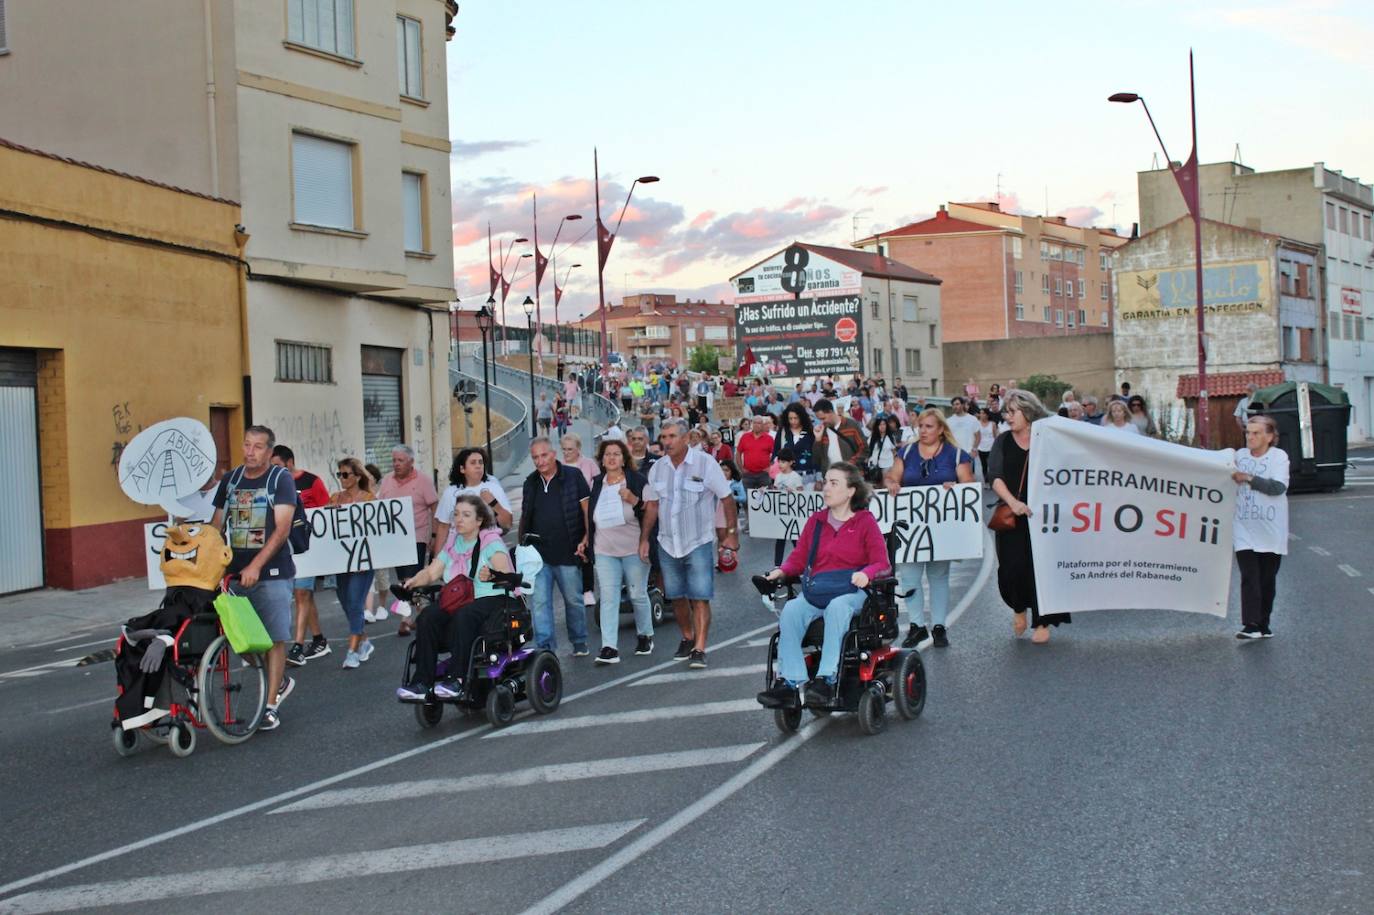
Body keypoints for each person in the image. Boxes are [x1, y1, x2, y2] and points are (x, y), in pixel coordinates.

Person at [756, 463, 889, 708]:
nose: (826, 487)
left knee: (837, 608)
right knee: (791, 611)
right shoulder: (817, 521)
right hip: (818, 589)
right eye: (826, 481)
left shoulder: (864, 522)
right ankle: (789, 683)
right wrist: (782, 571)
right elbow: (800, 557)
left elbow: (882, 562)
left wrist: (866, 573)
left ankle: (827, 678)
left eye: (834, 483)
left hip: (852, 590)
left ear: (850, 491)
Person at [210, 425, 297, 731]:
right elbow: (217, 524)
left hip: (272, 573)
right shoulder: (231, 479)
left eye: (258, 447)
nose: (250, 451)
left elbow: (282, 529)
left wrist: (257, 566)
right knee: (241, 640)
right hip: (235, 572)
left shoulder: (280, 479)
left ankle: (270, 705)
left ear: (270, 452)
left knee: (274, 639)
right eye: (247, 444)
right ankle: (280, 680)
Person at [639, 418, 740, 669]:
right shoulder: (657, 469)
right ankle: (687, 636)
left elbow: (726, 499)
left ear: (685, 438)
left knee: (700, 596)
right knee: (676, 596)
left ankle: (700, 647)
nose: (666, 441)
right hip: (668, 542)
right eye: (664, 437)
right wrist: (643, 539)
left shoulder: (706, 464)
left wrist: (730, 533)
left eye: (672, 436)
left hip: (698, 541)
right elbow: (652, 506)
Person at [395, 495, 514, 700]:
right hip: (461, 599)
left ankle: (457, 679)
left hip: (492, 598)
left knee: (464, 615)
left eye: (466, 515)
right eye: (456, 514)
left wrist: (494, 575)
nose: (459, 519)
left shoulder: (490, 541)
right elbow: (432, 572)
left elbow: (507, 575)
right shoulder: (453, 542)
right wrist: (413, 581)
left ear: (479, 521)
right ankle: (422, 682)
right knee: (427, 616)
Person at [885, 408, 975, 648]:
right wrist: (893, 483)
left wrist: (955, 486)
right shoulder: (907, 452)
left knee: (938, 576)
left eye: (929, 426)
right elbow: (892, 476)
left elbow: (969, 485)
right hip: (911, 527)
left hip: (940, 528)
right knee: (910, 577)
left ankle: (939, 626)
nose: (923, 431)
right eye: (921, 426)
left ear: (941, 429)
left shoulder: (956, 455)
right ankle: (916, 626)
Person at [990, 390, 1069, 644]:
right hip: (1012, 516)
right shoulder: (1002, 441)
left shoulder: (1047, 439)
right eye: (1006, 412)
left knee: (1042, 569)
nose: (1008, 417)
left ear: (1028, 411)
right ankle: (1018, 607)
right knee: (1012, 568)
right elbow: (995, 476)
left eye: (1013, 412)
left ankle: (1043, 620)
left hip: (1044, 517)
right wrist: (1013, 503)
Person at [519, 437, 591, 655]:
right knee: (539, 604)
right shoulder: (530, 482)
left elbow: (587, 510)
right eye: (535, 457)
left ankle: (579, 642)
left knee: (574, 601)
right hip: (538, 555)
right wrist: (522, 545)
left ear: (553, 454)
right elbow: (525, 516)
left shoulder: (573, 476)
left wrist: (587, 538)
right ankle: (545, 649)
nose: (540, 461)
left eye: (543, 455)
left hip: (569, 551)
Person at [588, 439, 654, 663]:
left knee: (637, 594)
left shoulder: (637, 480)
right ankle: (609, 647)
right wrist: (585, 540)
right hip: (604, 549)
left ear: (624, 458)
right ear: (602, 459)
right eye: (607, 454)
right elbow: (590, 516)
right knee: (608, 596)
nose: (612, 458)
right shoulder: (597, 483)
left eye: (616, 454)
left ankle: (645, 634)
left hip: (633, 548)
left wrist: (634, 500)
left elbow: (652, 510)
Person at [271, 445, 332, 667]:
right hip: (286, 548)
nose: (273, 469)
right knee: (303, 595)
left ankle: (297, 647)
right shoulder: (274, 485)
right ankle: (319, 639)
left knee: (301, 593)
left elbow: (327, 512)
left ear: (289, 462)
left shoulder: (312, 481)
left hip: (309, 547)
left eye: (277, 465)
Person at [1232, 415, 1289, 639]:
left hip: (1270, 530)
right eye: (1248, 432)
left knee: (1266, 579)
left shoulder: (1279, 457)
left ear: (1270, 436)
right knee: (1249, 575)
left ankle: (1264, 623)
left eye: (1256, 433)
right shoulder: (1238, 456)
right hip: (1243, 527)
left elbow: (1277, 487)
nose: (1250, 437)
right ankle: (1252, 624)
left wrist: (1248, 478)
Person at [329, 457, 378, 669]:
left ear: (357, 477)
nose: (342, 478)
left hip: (363, 561)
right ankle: (364, 640)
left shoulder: (369, 499)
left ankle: (353, 651)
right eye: (339, 474)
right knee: (347, 604)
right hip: (341, 561)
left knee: (356, 603)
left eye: (346, 474)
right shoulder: (334, 499)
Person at [434, 448, 513, 554]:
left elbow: (507, 523)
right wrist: (436, 559)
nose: (478, 466)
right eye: (473, 463)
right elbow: (443, 527)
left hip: (488, 549)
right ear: (462, 469)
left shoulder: (494, 488)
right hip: (458, 551)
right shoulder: (450, 492)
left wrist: (493, 503)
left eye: (481, 462)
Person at [378, 445, 439, 582]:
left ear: (411, 461)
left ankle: (414, 602)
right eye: (394, 460)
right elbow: (379, 507)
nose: (396, 464)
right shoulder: (387, 480)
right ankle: (409, 602)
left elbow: (435, 507)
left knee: (411, 577)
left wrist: (434, 535)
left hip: (416, 537)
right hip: (394, 538)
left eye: (400, 460)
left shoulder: (424, 480)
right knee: (402, 578)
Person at [812, 398, 867, 473]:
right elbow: (817, 459)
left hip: (851, 475)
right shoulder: (822, 430)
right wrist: (817, 440)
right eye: (820, 419)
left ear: (831, 412)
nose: (822, 422)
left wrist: (851, 463)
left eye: (823, 418)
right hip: (831, 477)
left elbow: (864, 448)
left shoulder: (851, 425)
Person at [773, 403, 817, 483]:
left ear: (802, 417)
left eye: (796, 418)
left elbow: (816, 454)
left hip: (807, 475)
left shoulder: (810, 432)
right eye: (790, 418)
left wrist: (818, 476)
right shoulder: (782, 432)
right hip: (786, 477)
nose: (793, 421)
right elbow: (776, 452)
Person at [736, 414, 776, 491]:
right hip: (748, 474)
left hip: (764, 474)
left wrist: (770, 467)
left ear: (763, 425)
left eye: (759, 423)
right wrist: (741, 468)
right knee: (748, 500)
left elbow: (775, 454)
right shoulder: (745, 437)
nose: (757, 425)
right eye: (755, 423)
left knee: (765, 500)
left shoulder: (769, 438)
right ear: (752, 424)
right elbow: (738, 453)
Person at [866, 416, 899, 483]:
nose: (882, 426)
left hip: (887, 465)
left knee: (885, 483)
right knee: (875, 484)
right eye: (880, 424)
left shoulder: (890, 437)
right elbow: (868, 450)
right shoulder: (872, 438)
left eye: (884, 424)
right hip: (875, 465)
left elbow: (894, 451)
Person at [973, 407, 996, 482]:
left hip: (991, 447)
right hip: (981, 447)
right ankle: (986, 481)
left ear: (987, 415)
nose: (981, 415)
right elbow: (975, 436)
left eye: (983, 413)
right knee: (984, 465)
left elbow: (995, 436)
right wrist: (975, 448)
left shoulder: (992, 424)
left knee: (991, 465)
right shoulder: (977, 424)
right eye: (980, 413)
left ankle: (992, 480)